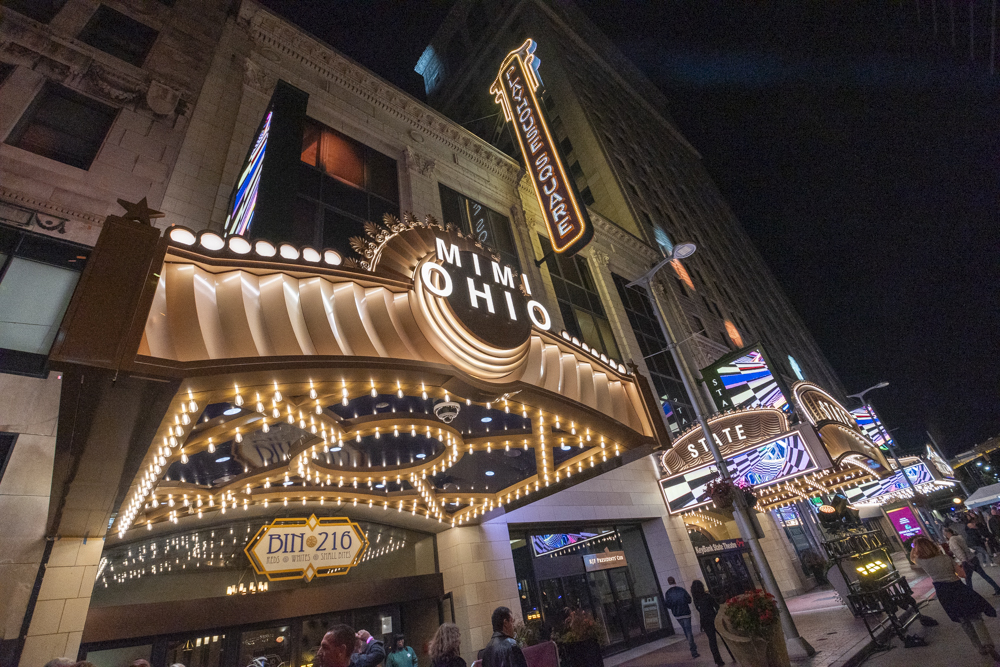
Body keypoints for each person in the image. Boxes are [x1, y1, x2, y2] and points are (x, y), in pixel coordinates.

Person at [911, 535, 1000, 659]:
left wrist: (915, 545)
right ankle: (987, 644)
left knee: (963, 620)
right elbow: (962, 574)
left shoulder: (921, 561)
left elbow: (912, 557)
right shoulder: (945, 558)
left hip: (943, 591)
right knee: (975, 616)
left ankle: (979, 648)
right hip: (957, 587)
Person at [946, 527, 1000, 594]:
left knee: (968, 579)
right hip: (973, 558)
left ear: (948, 533)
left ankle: (970, 595)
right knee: (984, 575)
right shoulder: (959, 537)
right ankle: (997, 588)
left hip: (967, 560)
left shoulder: (952, 540)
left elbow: (959, 551)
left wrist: (964, 561)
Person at [691, 580, 724, 666]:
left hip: (704, 621)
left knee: (712, 641)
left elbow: (699, 610)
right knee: (723, 637)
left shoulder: (696, 600)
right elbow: (716, 606)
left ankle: (717, 660)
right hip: (712, 618)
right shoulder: (707, 596)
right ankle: (731, 655)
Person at [664, 576, 699, 658]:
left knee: (685, 630)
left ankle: (692, 645)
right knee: (688, 630)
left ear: (669, 583)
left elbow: (667, 605)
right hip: (686, 613)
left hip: (677, 614)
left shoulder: (668, 593)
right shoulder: (681, 590)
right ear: (675, 581)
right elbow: (689, 600)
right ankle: (693, 650)